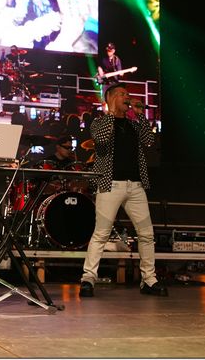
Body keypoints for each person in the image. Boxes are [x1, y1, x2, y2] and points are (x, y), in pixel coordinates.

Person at [79, 82, 166, 297]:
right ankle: (88, 278)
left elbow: (149, 141)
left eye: (128, 94)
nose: (127, 97)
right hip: (110, 185)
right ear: (110, 99)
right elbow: (101, 139)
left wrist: (140, 115)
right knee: (101, 234)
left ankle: (149, 280)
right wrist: (112, 112)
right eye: (121, 94)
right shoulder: (99, 122)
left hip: (135, 186)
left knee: (146, 234)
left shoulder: (134, 125)